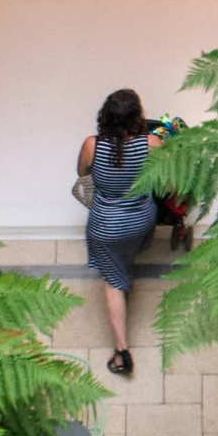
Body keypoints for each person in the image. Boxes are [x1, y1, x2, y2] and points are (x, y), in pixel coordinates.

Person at [79, 89, 161, 376]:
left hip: (106, 226)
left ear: (105, 116)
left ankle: (122, 352)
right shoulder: (152, 143)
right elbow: (166, 179)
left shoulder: (93, 145)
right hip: (141, 221)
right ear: (138, 116)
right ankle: (123, 265)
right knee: (125, 256)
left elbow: (81, 172)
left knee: (113, 283)